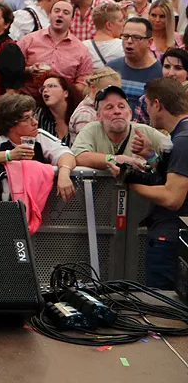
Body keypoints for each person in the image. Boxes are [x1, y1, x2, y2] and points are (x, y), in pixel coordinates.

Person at [130, 77, 188, 289]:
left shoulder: (183, 141)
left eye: (147, 105)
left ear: (157, 104)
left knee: (164, 303)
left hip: (170, 238)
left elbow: (173, 198)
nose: (146, 111)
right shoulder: (180, 136)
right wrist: (150, 156)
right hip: (175, 236)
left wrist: (131, 183)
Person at [0, 92, 77, 202]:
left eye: (33, 116)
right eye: (27, 118)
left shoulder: (40, 136)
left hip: (41, 203)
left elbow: (66, 154)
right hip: (2, 204)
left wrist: (64, 175)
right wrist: (10, 155)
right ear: (10, 125)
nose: (35, 122)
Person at [71, 85, 168, 173]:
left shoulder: (145, 132)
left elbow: (173, 156)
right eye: (109, 108)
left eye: (121, 107)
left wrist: (150, 156)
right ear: (99, 116)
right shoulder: (91, 130)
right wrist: (115, 159)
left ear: (130, 113)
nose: (117, 111)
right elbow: (79, 156)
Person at [18, 0, 92, 100]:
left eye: (66, 13)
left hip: (61, 104)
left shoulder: (81, 50)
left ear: (72, 19)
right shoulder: (29, 40)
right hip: (28, 100)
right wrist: (30, 70)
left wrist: (61, 92)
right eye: (56, 11)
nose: (60, 15)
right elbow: (12, 69)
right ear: (49, 15)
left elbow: (83, 84)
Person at [111, 17, 163, 112]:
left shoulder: (160, 73)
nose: (129, 41)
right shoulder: (111, 68)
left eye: (136, 37)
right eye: (125, 36)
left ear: (150, 42)